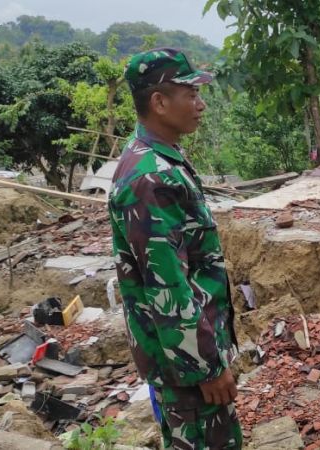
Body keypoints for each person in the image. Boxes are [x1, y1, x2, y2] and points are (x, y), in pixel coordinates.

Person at [108, 48, 241, 450]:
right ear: (160, 102)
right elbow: (168, 287)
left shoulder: (161, 158)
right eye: (191, 94)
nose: (200, 105)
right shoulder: (151, 178)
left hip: (184, 358)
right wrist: (206, 367)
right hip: (186, 368)